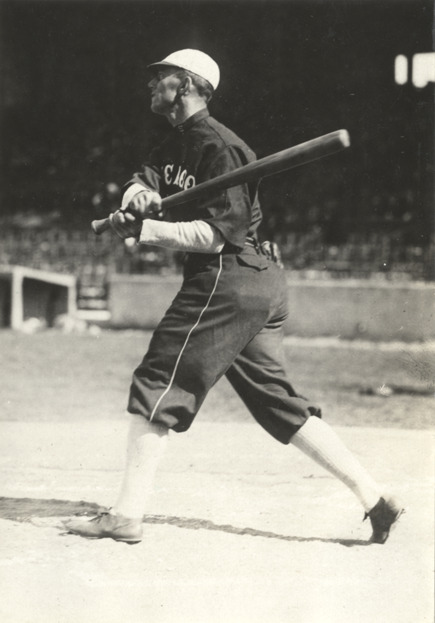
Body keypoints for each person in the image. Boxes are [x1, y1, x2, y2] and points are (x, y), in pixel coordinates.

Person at [64, 49, 403, 545]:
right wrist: (135, 200)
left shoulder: (224, 149)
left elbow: (216, 237)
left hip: (229, 274)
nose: (151, 85)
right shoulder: (175, 141)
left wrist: (147, 230)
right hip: (255, 283)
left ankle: (125, 515)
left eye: (160, 78)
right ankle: (375, 499)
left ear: (185, 85)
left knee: (159, 379)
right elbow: (142, 180)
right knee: (277, 403)